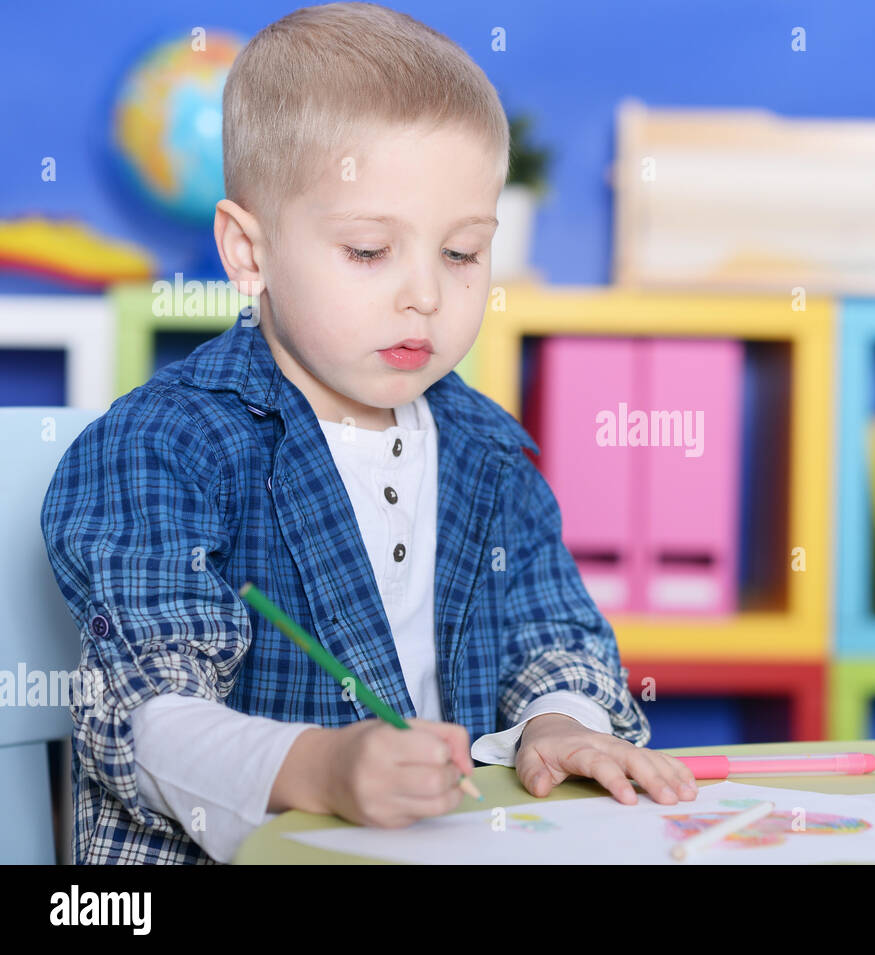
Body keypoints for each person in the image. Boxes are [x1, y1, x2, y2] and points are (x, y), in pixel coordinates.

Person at [40, 1, 696, 864]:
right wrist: (317, 766)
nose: (424, 293)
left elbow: (556, 636)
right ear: (249, 252)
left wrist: (560, 724)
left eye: (461, 253)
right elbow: (142, 713)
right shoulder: (166, 444)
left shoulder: (489, 452)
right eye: (367, 250)